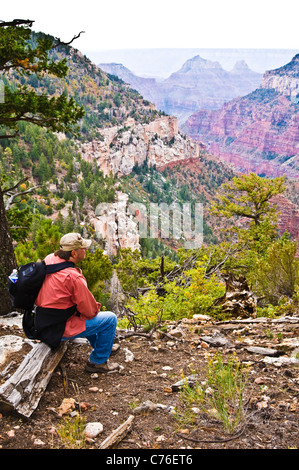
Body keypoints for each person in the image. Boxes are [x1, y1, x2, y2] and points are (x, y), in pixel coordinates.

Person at [35, 232, 120, 373]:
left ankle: (102, 345)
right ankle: (97, 362)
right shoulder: (73, 277)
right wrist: (93, 307)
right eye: (83, 248)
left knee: (84, 315)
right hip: (58, 328)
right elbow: (89, 311)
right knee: (109, 319)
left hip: (43, 321)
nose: (86, 250)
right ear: (74, 253)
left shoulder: (50, 259)